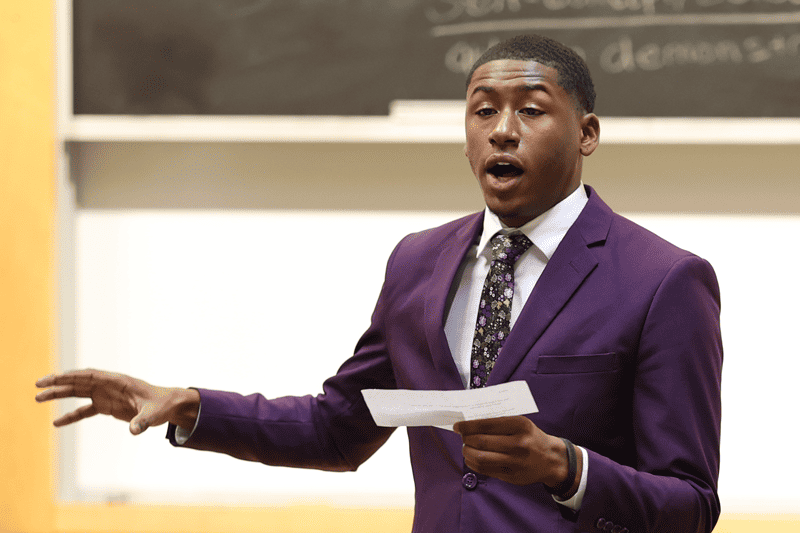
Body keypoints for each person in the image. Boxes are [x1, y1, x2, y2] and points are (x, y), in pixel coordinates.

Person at [36, 34, 722, 532]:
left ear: (587, 133)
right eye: (483, 111)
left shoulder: (663, 280)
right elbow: (338, 429)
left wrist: (564, 466)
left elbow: (691, 505)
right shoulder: (418, 263)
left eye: (532, 110)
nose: (503, 131)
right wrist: (191, 406)